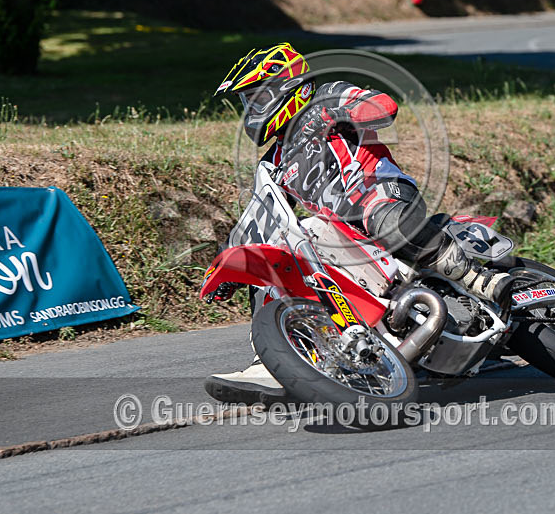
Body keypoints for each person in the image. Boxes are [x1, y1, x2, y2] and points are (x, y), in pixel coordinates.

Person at [205, 43, 516, 404]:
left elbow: (384, 105)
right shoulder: (271, 161)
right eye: (248, 102)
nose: (253, 110)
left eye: (258, 97)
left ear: (287, 84)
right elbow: (258, 215)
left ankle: (477, 278)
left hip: (380, 192)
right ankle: (281, 355)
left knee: (380, 215)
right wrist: (232, 263)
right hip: (341, 231)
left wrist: (343, 112)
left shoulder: (327, 95)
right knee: (276, 260)